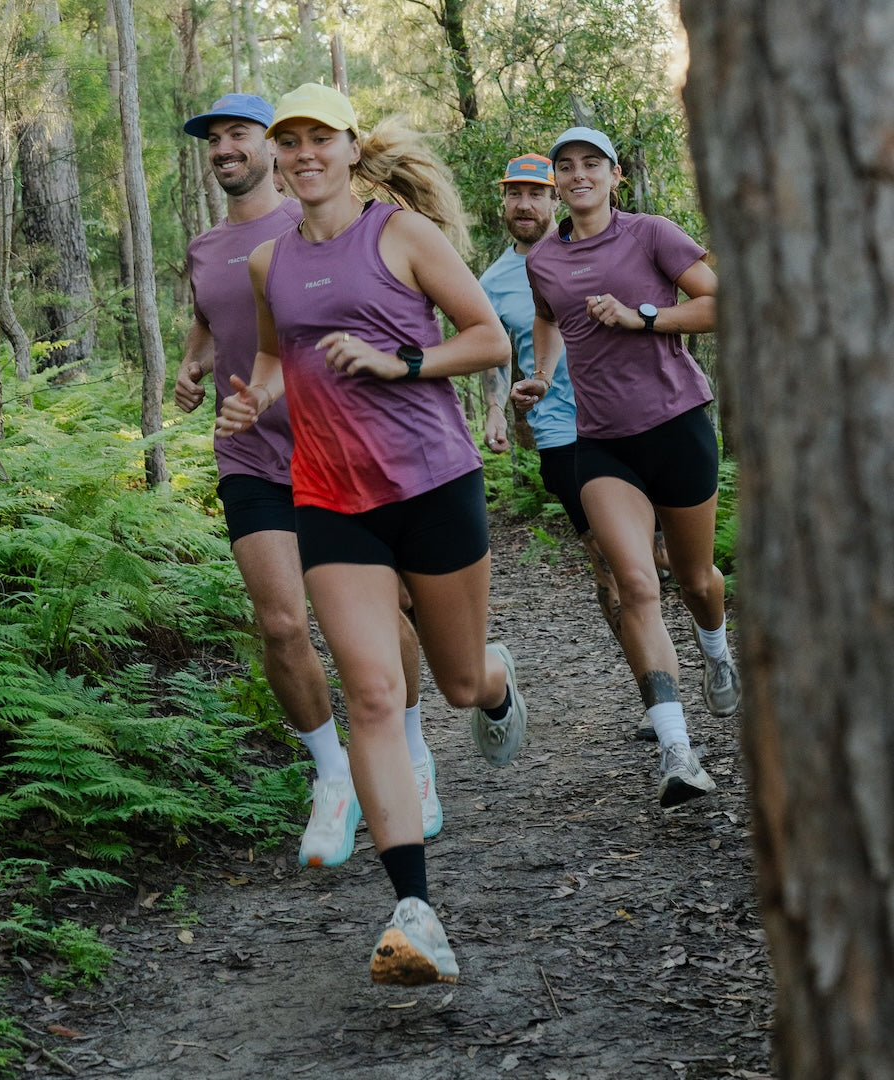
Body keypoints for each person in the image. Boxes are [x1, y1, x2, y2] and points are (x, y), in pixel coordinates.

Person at [216, 84, 523, 985]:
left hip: (433, 484)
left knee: (457, 683)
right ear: (277, 159)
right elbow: (275, 357)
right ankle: (414, 913)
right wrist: (253, 397)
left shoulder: (402, 234)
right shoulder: (269, 263)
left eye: (321, 137)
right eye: (290, 141)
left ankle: (498, 680)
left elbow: (489, 339)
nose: (304, 153)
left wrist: (402, 363)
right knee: (376, 698)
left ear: (352, 148)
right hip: (329, 499)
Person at [177, 93, 439, 869]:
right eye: (213, 139)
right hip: (251, 453)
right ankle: (334, 777)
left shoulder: (320, 219)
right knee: (282, 623)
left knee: (387, 614)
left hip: (341, 450)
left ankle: (412, 754)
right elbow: (214, 316)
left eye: (238, 134)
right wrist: (192, 363)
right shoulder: (204, 247)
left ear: (275, 148)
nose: (224, 148)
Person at [512, 126, 740, 809]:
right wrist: (542, 373)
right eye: (566, 166)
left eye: (592, 163)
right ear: (557, 183)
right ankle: (677, 751)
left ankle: (716, 648)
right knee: (636, 584)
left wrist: (643, 316)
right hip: (603, 442)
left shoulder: (651, 234)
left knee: (695, 579)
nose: (578, 174)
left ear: (615, 176)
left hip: (676, 426)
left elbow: (717, 304)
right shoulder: (544, 259)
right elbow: (548, 317)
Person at [480, 152, 670, 740]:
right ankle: (658, 701)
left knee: (669, 561)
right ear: (503, 202)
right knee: (611, 564)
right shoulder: (493, 281)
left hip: (642, 420)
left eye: (536, 192)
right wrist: (495, 409)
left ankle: (711, 644)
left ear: (555, 197)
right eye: (514, 193)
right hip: (566, 433)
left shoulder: (607, 244)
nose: (524, 204)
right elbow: (494, 353)